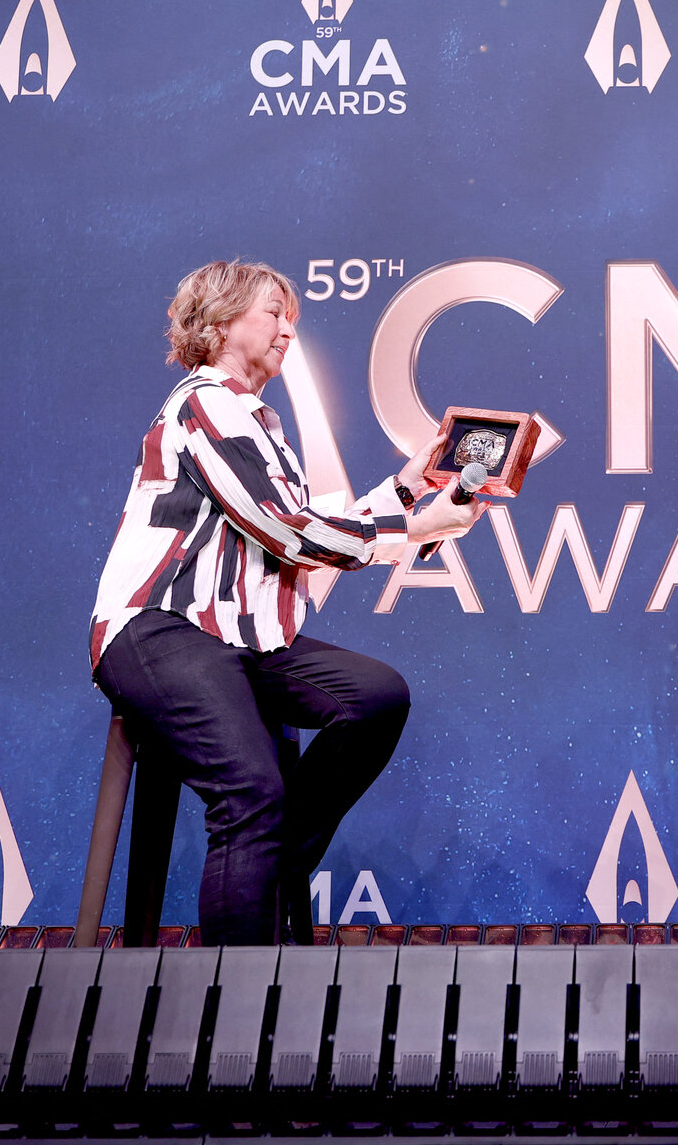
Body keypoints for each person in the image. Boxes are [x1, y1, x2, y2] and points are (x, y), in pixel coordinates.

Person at [89, 260, 485, 946]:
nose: (288, 329)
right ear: (221, 323)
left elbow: (296, 527)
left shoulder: (256, 422)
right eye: (274, 313)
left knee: (373, 697)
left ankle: (266, 867)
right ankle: (237, 993)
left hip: (243, 638)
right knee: (250, 791)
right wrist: (416, 527)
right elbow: (286, 531)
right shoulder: (205, 404)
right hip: (161, 631)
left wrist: (405, 490)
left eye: (290, 317)